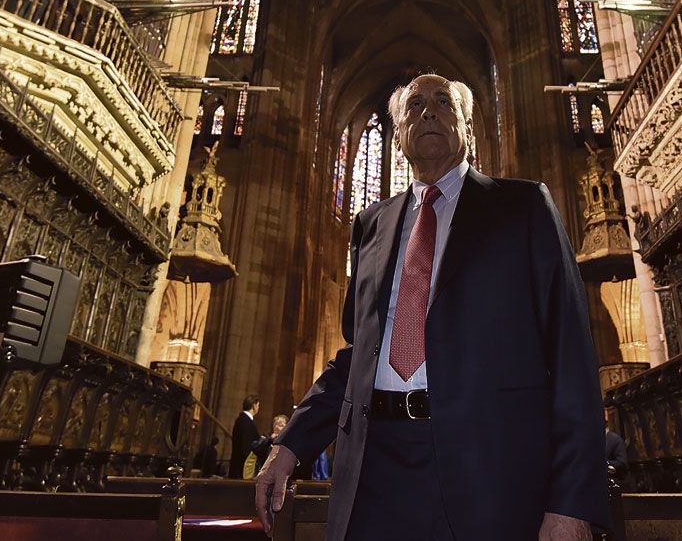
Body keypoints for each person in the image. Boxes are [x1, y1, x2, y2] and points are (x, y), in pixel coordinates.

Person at [256, 74, 610, 540]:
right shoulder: (370, 226)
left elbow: (570, 355)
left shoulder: (522, 207)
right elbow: (356, 357)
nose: (429, 112)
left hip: (487, 475)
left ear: (467, 124)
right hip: (374, 471)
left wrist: (571, 502)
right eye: (415, 105)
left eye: (444, 101)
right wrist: (290, 445)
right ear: (399, 134)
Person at [231, 395, 266, 480]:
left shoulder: (245, 420)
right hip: (243, 467)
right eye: (258, 405)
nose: (258, 408)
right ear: (254, 405)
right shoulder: (244, 421)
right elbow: (246, 445)